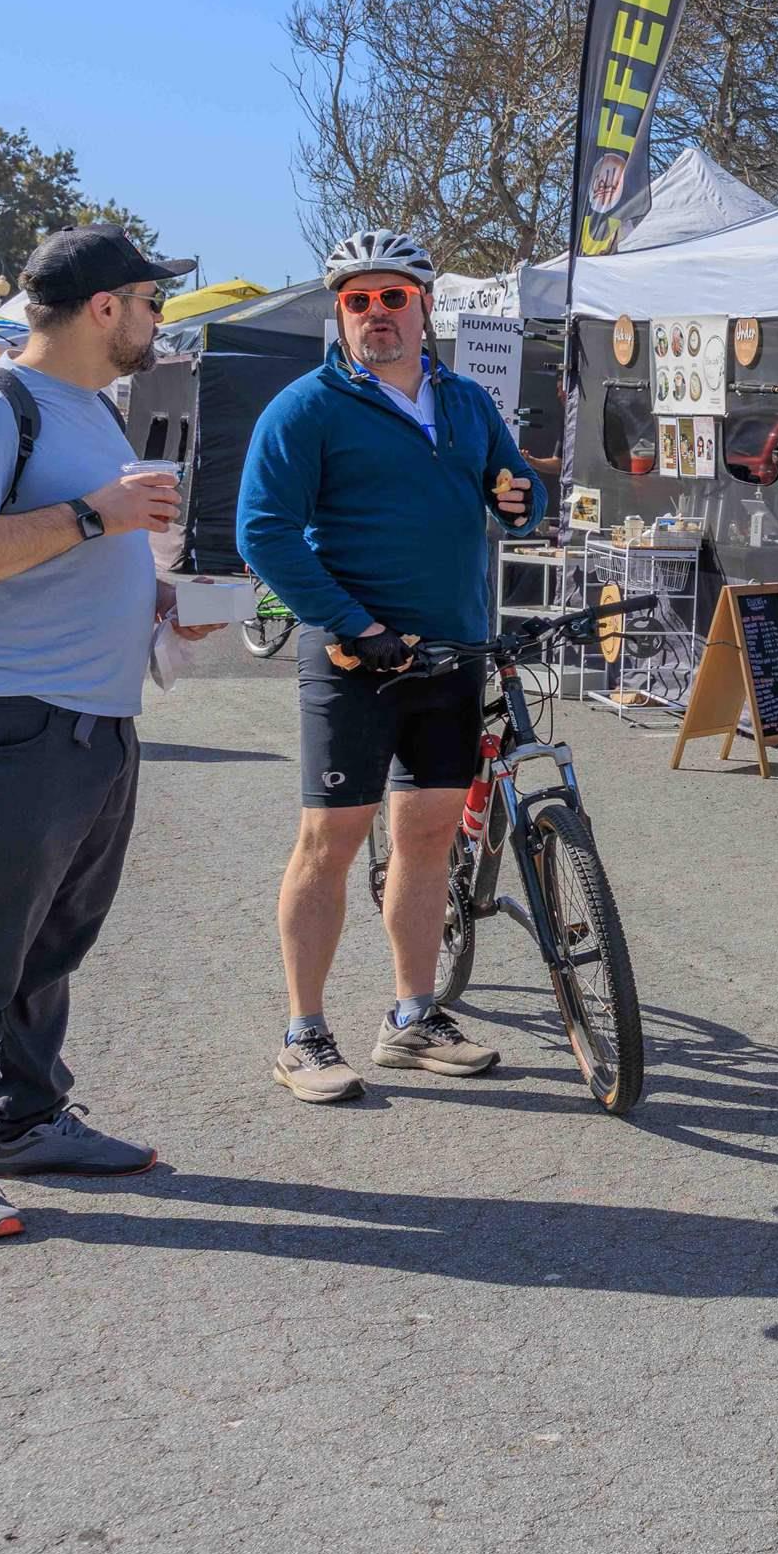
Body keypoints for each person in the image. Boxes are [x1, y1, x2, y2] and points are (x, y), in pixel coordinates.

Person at [0, 227, 216, 1243]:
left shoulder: (94, 410)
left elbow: (81, 548)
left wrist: (161, 603)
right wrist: (94, 516)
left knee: (51, 938)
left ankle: (24, 1117)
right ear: (104, 307)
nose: (159, 319)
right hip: (8, 713)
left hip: (93, 716)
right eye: (152, 301)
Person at [237, 230, 547, 1105]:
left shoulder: (467, 401)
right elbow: (262, 532)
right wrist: (354, 621)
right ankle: (303, 1032)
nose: (377, 313)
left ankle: (413, 1016)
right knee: (331, 840)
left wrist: (521, 498)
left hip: (452, 650)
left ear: (425, 306)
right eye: (358, 300)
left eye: (393, 297)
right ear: (340, 312)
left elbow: (518, 494)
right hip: (354, 653)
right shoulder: (306, 407)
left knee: (427, 836)